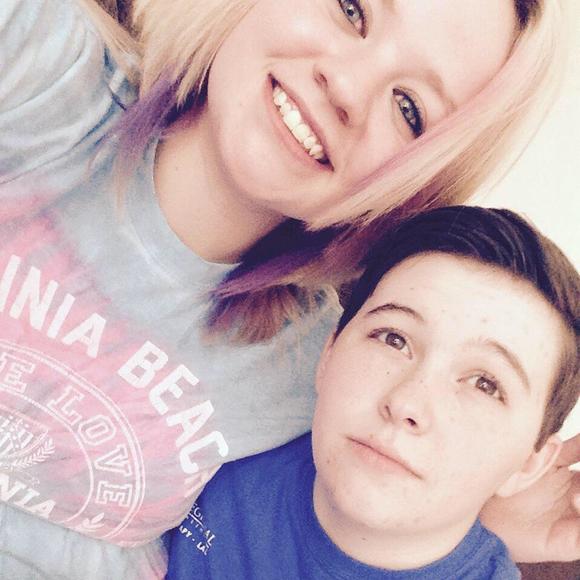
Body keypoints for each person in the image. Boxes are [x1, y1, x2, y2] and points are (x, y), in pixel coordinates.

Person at [0, 0, 577, 578]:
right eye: (352, 11)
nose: (347, 87)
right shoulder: (37, 61)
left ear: (415, 183)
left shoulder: (321, 363)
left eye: (409, 109)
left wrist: (476, 512)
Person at [164, 206, 580, 580]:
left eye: (485, 384)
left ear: (529, 465)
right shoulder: (222, 423)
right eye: (393, 338)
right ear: (329, 352)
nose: (406, 403)